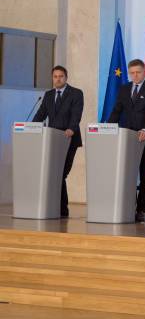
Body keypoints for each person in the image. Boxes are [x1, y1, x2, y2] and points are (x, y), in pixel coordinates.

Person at [108, 58, 145, 223]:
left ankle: (141, 210)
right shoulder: (124, 89)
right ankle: (129, 207)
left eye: (138, 72)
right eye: (132, 73)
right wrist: (108, 128)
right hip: (128, 138)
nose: (135, 76)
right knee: (128, 174)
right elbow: (117, 110)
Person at [32, 65, 84, 218]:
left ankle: (62, 208)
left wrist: (71, 128)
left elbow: (77, 114)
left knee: (61, 173)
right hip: (52, 141)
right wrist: (31, 127)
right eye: (55, 76)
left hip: (69, 139)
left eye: (61, 76)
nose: (58, 79)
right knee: (54, 173)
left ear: (66, 77)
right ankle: (60, 208)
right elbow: (40, 114)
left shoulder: (76, 93)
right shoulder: (48, 95)